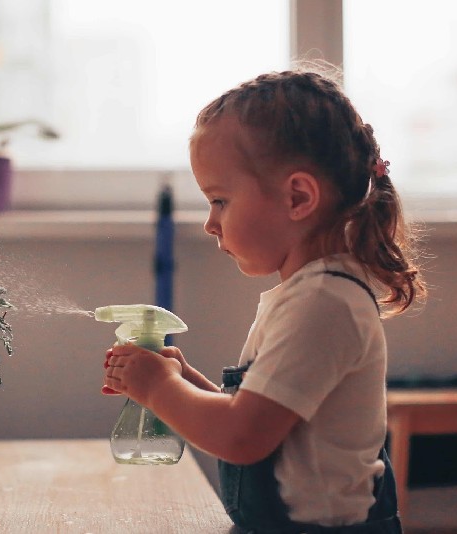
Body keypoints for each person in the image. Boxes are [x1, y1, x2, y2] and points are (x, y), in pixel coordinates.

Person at [102, 67, 425, 533]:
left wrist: (158, 388)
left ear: (298, 196)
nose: (210, 224)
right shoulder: (310, 295)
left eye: (220, 201)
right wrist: (182, 379)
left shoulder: (324, 303)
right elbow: (268, 428)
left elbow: (242, 437)